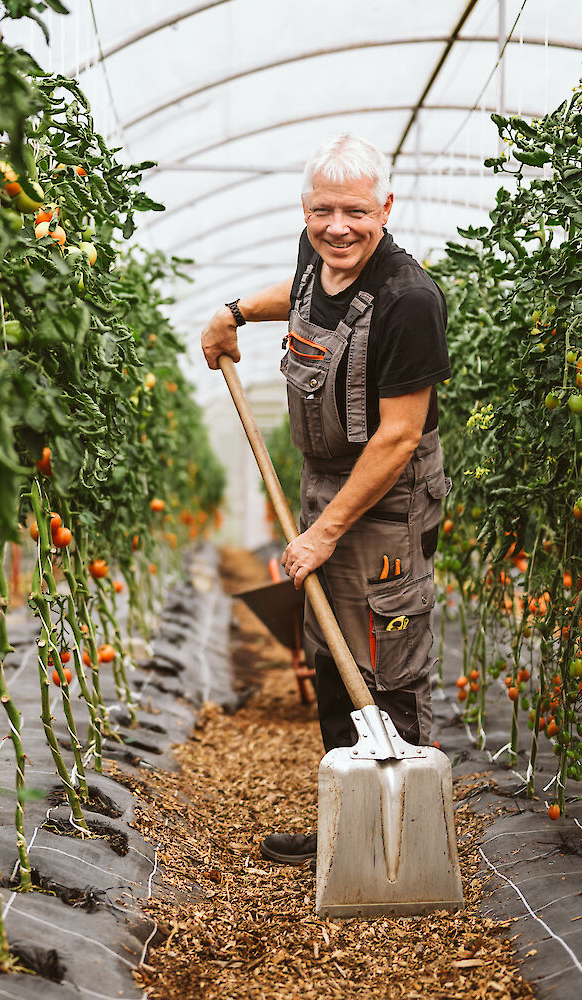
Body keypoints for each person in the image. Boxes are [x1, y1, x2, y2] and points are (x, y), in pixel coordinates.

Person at [200, 133, 451, 866]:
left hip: (386, 500)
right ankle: (347, 823)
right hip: (326, 484)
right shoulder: (320, 253)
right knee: (327, 652)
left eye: (356, 212)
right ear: (307, 210)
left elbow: (399, 437)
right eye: (323, 211)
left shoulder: (410, 301)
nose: (338, 227)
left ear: (386, 209)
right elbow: (305, 295)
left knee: (386, 654)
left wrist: (325, 533)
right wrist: (236, 312)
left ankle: (399, 840)